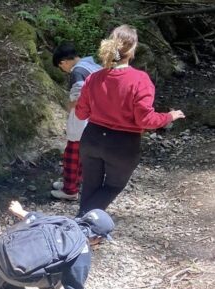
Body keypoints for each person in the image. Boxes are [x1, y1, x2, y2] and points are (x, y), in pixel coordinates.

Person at [74, 25, 185, 215]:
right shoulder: (140, 79)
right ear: (133, 50)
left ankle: (79, 231)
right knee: (112, 187)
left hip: (91, 138)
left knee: (90, 187)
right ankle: (80, 226)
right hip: (122, 144)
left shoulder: (93, 78)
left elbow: (80, 114)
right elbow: (145, 120)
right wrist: (169, 116)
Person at [50, 42, 102, 201]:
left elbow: (80, 96)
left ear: (63, 62)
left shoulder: (77, 72)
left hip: (83, 120)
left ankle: (70, 190)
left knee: (71, 156)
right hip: (99, 119)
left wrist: (70, 105)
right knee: (84, 155)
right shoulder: (94, 66)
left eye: (61, 68)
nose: (63, 71)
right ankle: (74, 182)